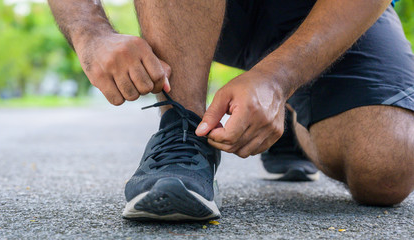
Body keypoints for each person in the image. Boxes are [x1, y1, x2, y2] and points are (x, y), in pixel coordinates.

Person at [47, 0, 414, 221]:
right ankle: (182, 132)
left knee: (387, 167)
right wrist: (90, 34)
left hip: (323, 12)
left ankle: (285, 115)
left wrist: (277, 79)